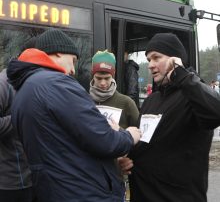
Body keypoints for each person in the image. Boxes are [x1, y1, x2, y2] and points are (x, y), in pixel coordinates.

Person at [6, 28, 141, 202]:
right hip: (84, 192)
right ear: (58, 53)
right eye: (73, 60)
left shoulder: (23, 90)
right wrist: (129, 135)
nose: (73, 71)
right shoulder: (57, 83)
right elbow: (105, 141)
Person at [119, 33, 220, 202]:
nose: (150, 65)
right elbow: (142, 140)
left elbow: (216, 113)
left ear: (175, 59)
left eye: (156, 58)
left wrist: (183, 76)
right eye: (148, 59)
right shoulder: (152, 99)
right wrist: (127, 159)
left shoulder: (192, 94)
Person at [90, 50, 139, 200]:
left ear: (114, 75)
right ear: (93, 75)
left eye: (107, 78)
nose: (103, 83)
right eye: (99, 78)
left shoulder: (126, 103)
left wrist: (129, 158)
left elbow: (141, 136)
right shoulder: (83, 101)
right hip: (89, 176)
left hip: (115, 177)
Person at [0, 38, 37, 202]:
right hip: (11, 183)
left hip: (35, 178)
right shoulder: (3, 82)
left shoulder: (35, 82)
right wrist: (20, 117)